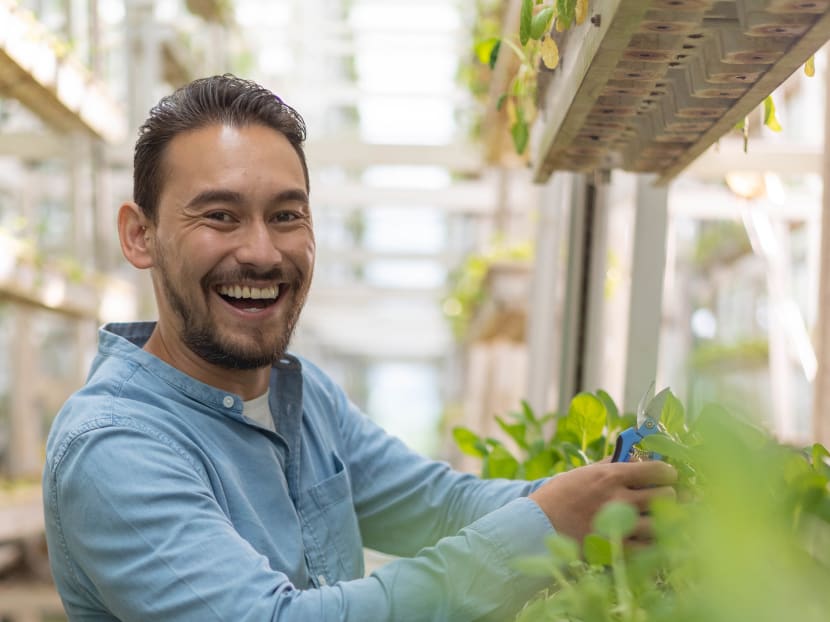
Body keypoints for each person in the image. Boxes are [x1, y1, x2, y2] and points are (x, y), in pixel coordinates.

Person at [42, 74, 676, 621]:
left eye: (287, 215)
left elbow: (440, 507)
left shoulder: (300, 395)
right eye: (220, 216)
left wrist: (620, 495)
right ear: (140, 236)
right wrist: (545, 527)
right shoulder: (115, 446)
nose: (262, 253)